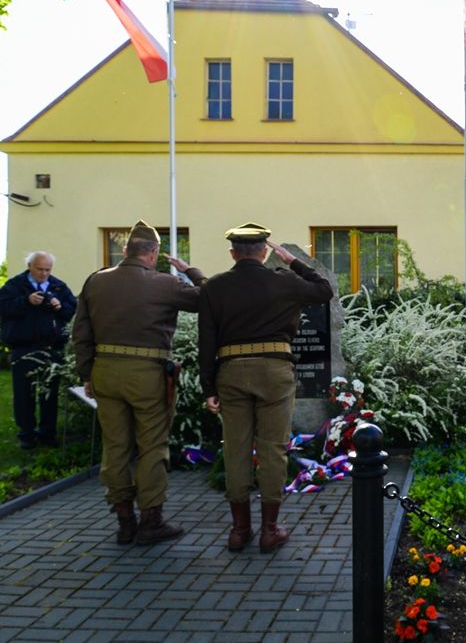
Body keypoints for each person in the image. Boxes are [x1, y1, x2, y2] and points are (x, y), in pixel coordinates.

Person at [198, 224, 333, 553]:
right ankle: (270, 530)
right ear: (264, 252)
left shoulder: (214, 287)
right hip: (274, 370)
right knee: (273, 449)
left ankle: (239, 529)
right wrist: (293, 261)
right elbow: (324, 290)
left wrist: (208, 387)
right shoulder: (284, 280)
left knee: (236, 449)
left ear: (233, 253)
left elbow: (207, 341)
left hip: (230, 372)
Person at [73, 220, 206, 546]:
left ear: (125, 251)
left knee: (115, 447)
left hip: (105, 372)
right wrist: (191, 272)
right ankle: (151, 521)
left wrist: (87, 374)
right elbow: (207, 299)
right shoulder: (165, 284)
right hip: (147, 374)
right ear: (153, 253)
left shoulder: (96, 281)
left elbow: (82, 333)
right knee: (151, 447)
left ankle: (124, 521)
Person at [0, 252, 78, 449]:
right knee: (23, 394)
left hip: (51, 347)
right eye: (40, 269)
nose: (44, 274)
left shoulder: (58, 286)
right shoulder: (15, 285)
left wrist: (60, 306)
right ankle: (26, 435)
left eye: (47, 270)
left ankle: (47, 434)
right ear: (29, 266)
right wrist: (26, 301)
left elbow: (72, 310)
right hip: (23, 347)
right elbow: (3, 308)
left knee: (49, 394)